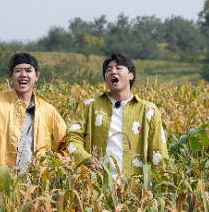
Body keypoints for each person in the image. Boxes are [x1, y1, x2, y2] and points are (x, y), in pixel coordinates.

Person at [67, 53, 168, 181]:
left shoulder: (148, 111)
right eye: (108, 70)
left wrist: (161, 188)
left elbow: (158, 152)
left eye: (119, 68)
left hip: (135, 188)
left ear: (131, 75)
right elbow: (73, 136)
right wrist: (85, 158)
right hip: (98, 188)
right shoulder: (90, 106)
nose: (113, 71)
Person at [0, 53, 67, 175]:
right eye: (18, 71)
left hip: (36, 184)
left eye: (28, 70)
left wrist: (50, 167)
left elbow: (65, 145)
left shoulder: (48, 111)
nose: (23, 75)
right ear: (11, 76)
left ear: (37, 76)